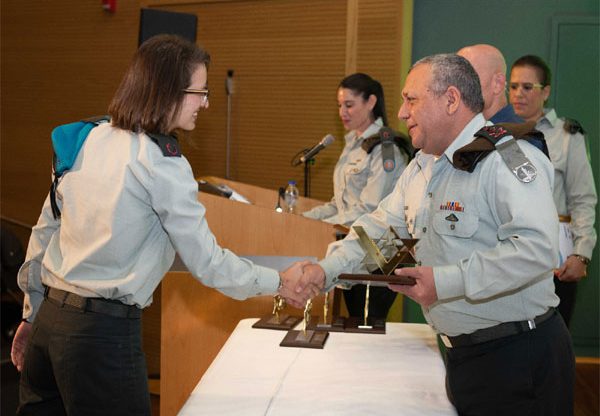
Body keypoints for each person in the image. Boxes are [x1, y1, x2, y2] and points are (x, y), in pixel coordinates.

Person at [10, 34, 321, 415]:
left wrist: (31, 313)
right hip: (100, 338)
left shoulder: (85, 138)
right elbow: (207, 262)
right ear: (167, 91)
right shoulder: (160, 161)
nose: (206, 103)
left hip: (48, 327)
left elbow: (44, 232)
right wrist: (279, 282)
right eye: (200, 92)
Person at [302, 54, 574, 415]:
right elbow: (378, 229)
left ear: (450, 100)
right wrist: (325, 271)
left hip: (518, 357)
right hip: (463, 355)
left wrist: (443, 283)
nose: (400, 112)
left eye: (411, 99)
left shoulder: (508, 156)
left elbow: (538, 249)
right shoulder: (423, 166)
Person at [302, 73, 412, 320]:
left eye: (349, 105)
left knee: (366, 322)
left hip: (380, 251)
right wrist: (304, 219)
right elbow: (340, 203)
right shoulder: (353, 143)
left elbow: (369, 209)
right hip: (354, 245)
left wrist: (325, 224)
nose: (343, 111)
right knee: (352, 321)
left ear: (371, 102)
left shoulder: (386, 148)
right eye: (339, 105)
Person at [509, 54, 597, 327]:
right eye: (513, 87)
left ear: (545, 92)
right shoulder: (501, 135)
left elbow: (582, 199)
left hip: (555, 256)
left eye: (527, 87)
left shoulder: (568, 136)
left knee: (551, 338)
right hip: (509, 252)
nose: (518, 94)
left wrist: (581, 253)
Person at [457, 44, 523, 123]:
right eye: (455, 78)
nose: (456, 86)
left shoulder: (518, 134)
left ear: (497, 84)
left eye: (467, 78)